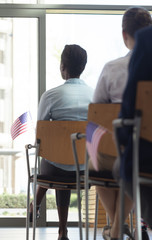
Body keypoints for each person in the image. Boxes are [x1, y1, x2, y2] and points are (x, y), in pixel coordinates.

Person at [92, 7, 152, 240]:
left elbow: (96, 114)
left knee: (101, 160)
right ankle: (120, 224)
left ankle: (116, 227)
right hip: (142, 150)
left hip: (132, 150)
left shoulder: (111, 68)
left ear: (124, 35)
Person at [30, 44, 93, 240]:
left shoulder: (50, 95)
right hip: (86, 168)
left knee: (56, 157)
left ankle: (60, 228)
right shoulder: (95, 95)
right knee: (68, 157)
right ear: (83, 67)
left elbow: (39, 136)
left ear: (62, 66)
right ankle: (60, 228)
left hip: (55, 170)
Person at [116, 25, 152, 228]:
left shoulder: (146, 41)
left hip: (147, 154)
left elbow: (130, 105)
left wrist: (123, 139)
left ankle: (116, 228)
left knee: (122, 168)